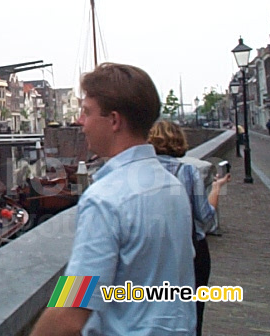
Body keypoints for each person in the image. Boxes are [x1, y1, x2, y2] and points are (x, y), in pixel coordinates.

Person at [31, 63, 195, 336]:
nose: (80, 123)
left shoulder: (105, 198)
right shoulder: (173, 187)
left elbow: (71, 307)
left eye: (87, 112)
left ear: (114, 121)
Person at [148, 121, 231, 336]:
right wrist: (216, 188)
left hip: (155, 253)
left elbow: (82, 271)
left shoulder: (128, 180)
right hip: (191, 251)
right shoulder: (188, 172)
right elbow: (205, 218)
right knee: (193, 311)